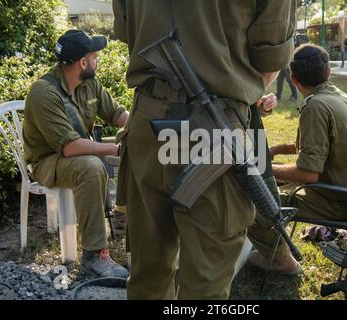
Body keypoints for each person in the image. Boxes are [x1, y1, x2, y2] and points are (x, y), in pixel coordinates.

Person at [112, 0, 296, 299]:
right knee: (205, 287)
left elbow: (128, 32)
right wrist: (233, 91)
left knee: (148, 274)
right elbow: (269, 61)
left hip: (149, 121)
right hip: (216, 131)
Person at [247, 44, 347, 272]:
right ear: (328, 73)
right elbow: (310, 148)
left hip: (341, 202)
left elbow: (308, 173)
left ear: (294, 80)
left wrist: (265, 168)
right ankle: (271, 248)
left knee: (252, 199)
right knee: (269, 181)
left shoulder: (315, 106)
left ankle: (281, 261)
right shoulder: (338, 96)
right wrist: (274, 151)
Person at [22, 30, 130, 278]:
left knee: (137, 148)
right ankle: (94, 257)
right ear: (83, 62)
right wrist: (117, 149)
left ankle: (125, 219)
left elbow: (116, 114)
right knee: (91, 167)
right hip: (48, 161)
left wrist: (138, 131)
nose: (98, 60)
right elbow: (69, 147)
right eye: (95, 56)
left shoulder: (89, 82)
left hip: (78, 150)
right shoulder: (43, 93)